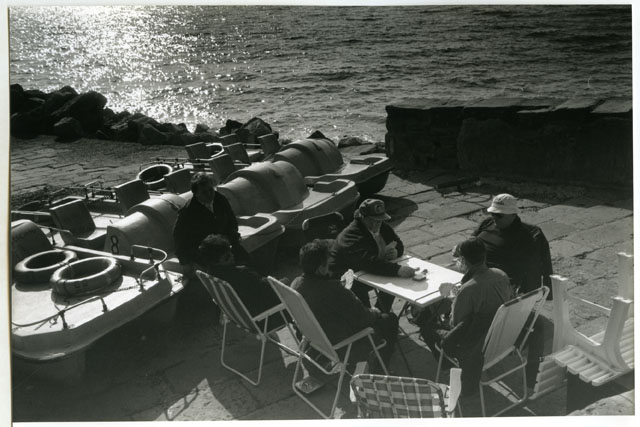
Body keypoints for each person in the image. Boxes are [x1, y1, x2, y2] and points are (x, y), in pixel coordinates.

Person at [473, 193, 552, 385]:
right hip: (477, 280)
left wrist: (532, 294)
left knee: (537, 327)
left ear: (512, 215)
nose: (494, 218)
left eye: (499, 215)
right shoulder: (487, 224)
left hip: (502, 290)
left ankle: (532, 377)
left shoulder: (527, 237)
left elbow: (535, 268)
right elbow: (472, 244)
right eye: (492, 213)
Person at [417, 237, 512, 396]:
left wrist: (454, 301)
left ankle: (448, 365)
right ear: (484, 255)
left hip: (476, 342)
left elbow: (455, 324)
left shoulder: (468, 289)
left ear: (464, 260)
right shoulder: (501, 275)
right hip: (501, 336)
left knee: (426, 327)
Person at [293, 239, 399, 373]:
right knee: (389, 320)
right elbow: (364, 318)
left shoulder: (296, 284)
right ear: (320, 268)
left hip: (318, 340)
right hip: (344, 344)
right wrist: (375, 311)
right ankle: (379, 370)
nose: (330, 267)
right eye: (328, 264)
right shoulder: (333, 290)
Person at [329, 198, 415, 313]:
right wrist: (397, 270)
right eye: (373, 221)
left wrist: (396, 251)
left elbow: (398, 243)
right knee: (363, 308)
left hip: (366, 272)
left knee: (393, 284)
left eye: (379, 220)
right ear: (363, 218)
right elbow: (368, 262)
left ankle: (381, 312)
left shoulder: (381, 226)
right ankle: (373, 316)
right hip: (347, 278)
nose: (377, 224)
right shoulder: (351, 236)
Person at [198, 234, 286, 328]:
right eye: (227, 257)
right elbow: (269, 289)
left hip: (243, 320)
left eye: (230, 251)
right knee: (290, 286)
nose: (232, 256)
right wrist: (281, 282)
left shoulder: (210, 276)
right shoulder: (241, 273)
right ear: (215, 262)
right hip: (266, 320)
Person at [173, 172, 248, 277]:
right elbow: (179, 238)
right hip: (208, 254)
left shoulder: (220, 199)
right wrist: (184, 262)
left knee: (248, 265)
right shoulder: (187, 212)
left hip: (227, 245)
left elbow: (232, 221)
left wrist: (233, 238)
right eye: (204, 192)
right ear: (196, 193)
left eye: (210, 190)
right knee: (230, 275)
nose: (209, 194)